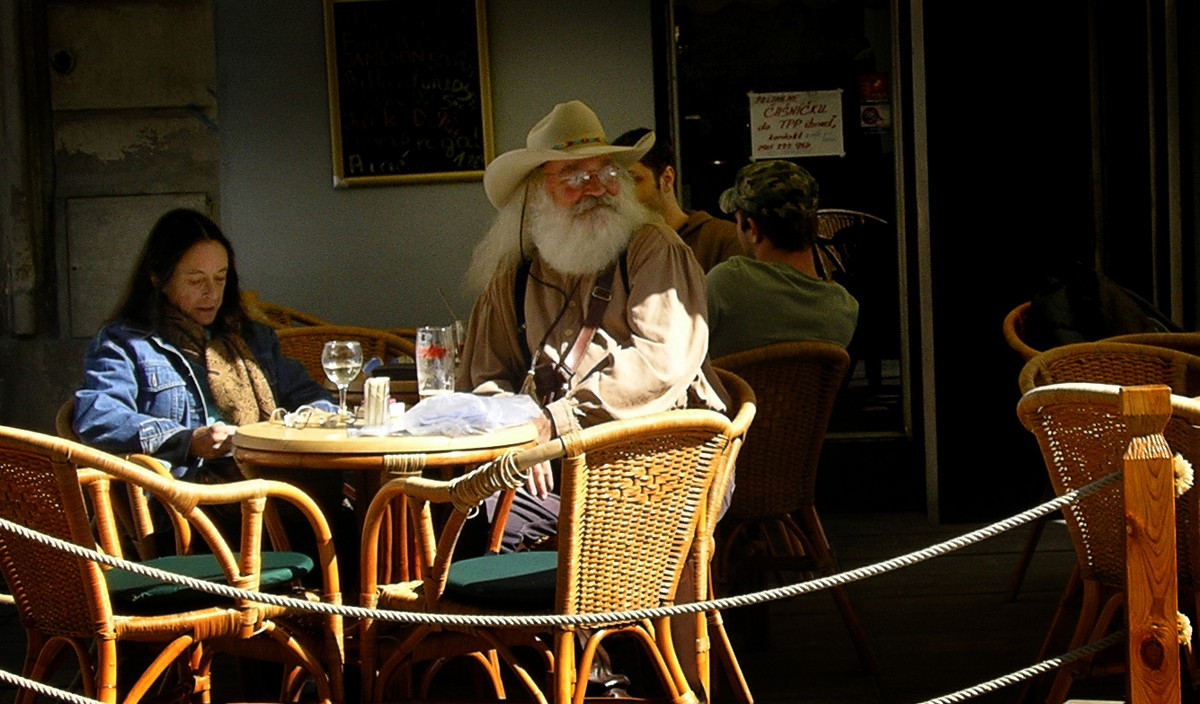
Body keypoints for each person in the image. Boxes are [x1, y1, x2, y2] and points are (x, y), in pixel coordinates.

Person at [459, 98, 728, 697]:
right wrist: (511, 434)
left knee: (535, 523)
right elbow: (481, 377)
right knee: (459, 511)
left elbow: (662, 364)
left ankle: (600, 683)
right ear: (537, 193)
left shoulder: (653, 249)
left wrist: (552, 425)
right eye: (573, 175)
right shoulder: (514, 276)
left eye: (606, 172)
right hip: (551, 460)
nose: (596, 187)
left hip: (666, 457)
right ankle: (523, 676)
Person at [74, 208, 338, 483]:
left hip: (262, 480)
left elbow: (314, 399)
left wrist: (300, 422)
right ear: (158, 279)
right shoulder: (126, 344)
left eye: (220, 278)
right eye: (196, 280)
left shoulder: (253, 338)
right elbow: (97, 417)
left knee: (346, 498)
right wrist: (187, 440)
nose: (211, 293)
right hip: (185, 499)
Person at [706, 160, 859, 359]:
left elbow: (675, 354)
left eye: (736, 221)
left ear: (753, 229)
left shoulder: (727, 282)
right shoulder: (844, 308)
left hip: (732, 391)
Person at [612, 127, 746, 272]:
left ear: (667, 178)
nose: (621, 192)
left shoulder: (721, 239)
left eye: (632, 180)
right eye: (615, 182)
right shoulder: (619, 249)